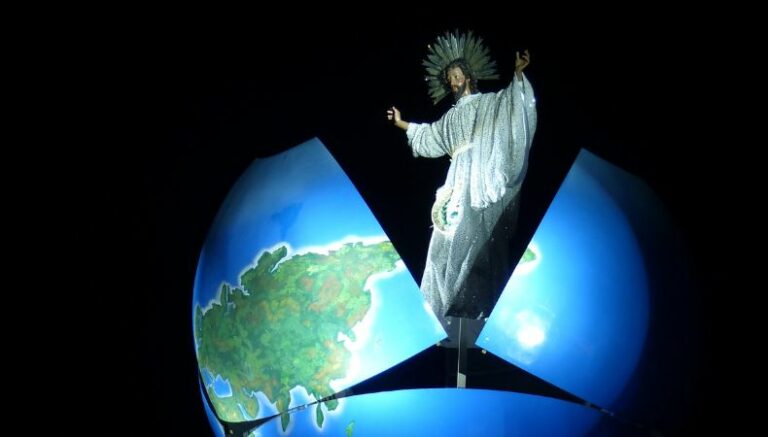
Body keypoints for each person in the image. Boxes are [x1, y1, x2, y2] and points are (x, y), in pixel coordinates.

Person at [387, 31, 537, 332]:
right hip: (457, 180)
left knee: (482, 238)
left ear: (468, 76)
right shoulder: (450, 118)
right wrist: (401, 123)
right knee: (446, 238)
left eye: (457, 76)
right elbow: (429, 135)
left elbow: (510, 106)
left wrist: (519, 75)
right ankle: (445, 308)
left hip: (483, 175)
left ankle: (479, 306)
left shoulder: (487, 104)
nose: (453, 82)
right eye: (449, 79)